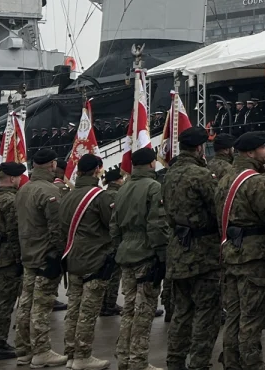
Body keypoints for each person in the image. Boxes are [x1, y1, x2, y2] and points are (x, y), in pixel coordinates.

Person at [215, 132, 265, 370]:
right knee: (253, 317)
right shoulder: (256, 182)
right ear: (250, 153)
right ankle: (252, 364)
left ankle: (232, 363)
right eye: (263, 147)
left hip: (231, 253)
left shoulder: (224, 178)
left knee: (234, 316)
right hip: (254, 257)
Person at [164, 127, 221, 370]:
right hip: (203, 253)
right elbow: (217, 210)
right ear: (199, 148)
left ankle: (175, 360)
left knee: (182, 311)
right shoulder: (201, 175)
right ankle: (199, 363)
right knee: (207, 312)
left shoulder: (169, 174)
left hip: (178, 250)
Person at [112, 147, 170, 370]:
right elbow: (156, 224)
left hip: (126, 252)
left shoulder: (123, 188)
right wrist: (162, 255)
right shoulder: (154, 187)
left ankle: (124, 357)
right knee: (144, 310)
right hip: (146, 253)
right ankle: (138, 361)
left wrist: (120, 247)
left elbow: (114, 226)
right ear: (152, 163)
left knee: (128, 308)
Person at [58, 155, 114, 370]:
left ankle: (70, 353)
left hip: (73, 257)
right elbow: (111, 224)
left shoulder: (68, 196)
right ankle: (83, 356)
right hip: (95, 260)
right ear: (98, 169)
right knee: (88, 312)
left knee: (73, 309)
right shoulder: (99, 196)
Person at [16, 149, 67, 367]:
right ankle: (41, 351)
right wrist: (59, 255)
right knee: (41, 306)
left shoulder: (24, 189)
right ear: (52, 164)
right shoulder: (50, 190)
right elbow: (57, 228)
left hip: (28, 253)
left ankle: (24, 350)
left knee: (25, 304)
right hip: (45, 256)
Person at [0, 162, 26, 361]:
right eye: (18, 177)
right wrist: (19, 258)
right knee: (5, 301)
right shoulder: (11, 201)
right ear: (12, 178)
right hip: (7, 256)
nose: (19, 180)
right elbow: (14, 232)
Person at [100, 166, 127, 318]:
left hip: (104, 239)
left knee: (107, 273)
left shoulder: (103, 194)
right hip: (114, 240)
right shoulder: (116, 196)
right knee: (114, 275)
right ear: (117, 180)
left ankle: (105, 303)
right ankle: (109, 304)